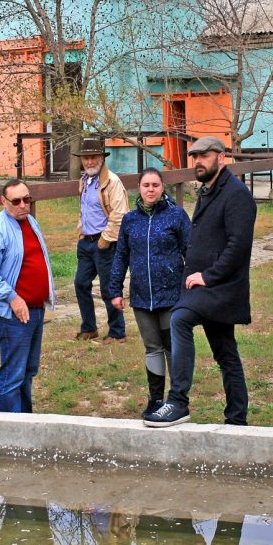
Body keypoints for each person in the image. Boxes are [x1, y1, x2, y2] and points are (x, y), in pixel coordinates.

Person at [144, 136, 256, 427]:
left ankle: (178, 402)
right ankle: (237, 418)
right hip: (207, 287)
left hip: (221, 287)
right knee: (226, 353)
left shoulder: (236, 194)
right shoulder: (209, 190)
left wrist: (208, 276)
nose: (198, 162)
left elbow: (239, 246)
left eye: (204, 156)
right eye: (195, 157)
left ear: (222, 158)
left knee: (180, 319)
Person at [108, 168, 191, 420]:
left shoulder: (176, 216)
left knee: (171, 347)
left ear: (162, 187)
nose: (151, 189)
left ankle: (176, 400)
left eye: (155, 184)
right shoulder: (130, 220)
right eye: (146, 185)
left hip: (171, 295)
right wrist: (115, 289)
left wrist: (191, 286)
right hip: (142, 296)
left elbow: (191, 250)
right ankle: (155, 398)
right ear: (139, 188)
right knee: (152, 347)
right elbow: (121, 255)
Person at [0, 179, 56, 412]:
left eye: (26, 199)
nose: (23, 205)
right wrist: (12, 297)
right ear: (3, 201)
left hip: (35, 309)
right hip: (12, 313)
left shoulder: (30, 222)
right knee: (13, 374)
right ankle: (11, 430)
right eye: (16, 201)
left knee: (28, 370)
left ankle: (25, 422)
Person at [73, 138, 128, 343]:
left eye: (93, 157)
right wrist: (81, 233)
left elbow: (120, 214)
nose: (89, 162)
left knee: (108, 288)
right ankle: (89, 328)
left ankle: (117, 331)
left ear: (101, 159)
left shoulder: (112, 181)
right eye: (86, 158)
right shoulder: (84, 181)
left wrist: (105, 240)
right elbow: (85, 210)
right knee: (80, 284)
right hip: (86, 242)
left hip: (105, 243)